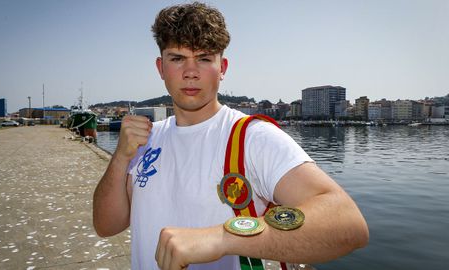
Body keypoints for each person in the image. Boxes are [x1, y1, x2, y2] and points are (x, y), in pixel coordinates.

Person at [93, 2, 369, 270]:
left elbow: (347, 223)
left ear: (222, 68)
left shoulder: (253, 138)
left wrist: (222, 238)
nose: (190, 72)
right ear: (160, 67)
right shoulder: (147, 139)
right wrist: (120, 157)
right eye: (177, 58)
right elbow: (106, 226)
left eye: (203, 58)